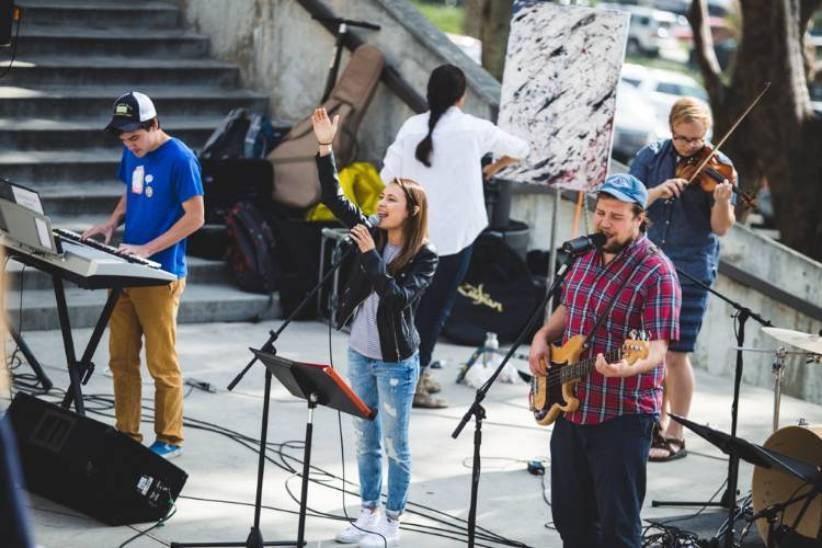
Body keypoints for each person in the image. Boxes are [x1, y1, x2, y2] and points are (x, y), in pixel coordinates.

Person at [528, 174, 680, 547]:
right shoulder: (584, 255)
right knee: (570, 520)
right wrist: (542, 336)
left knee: (617, 530)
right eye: (601, 213)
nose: (604, 223)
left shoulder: (656, 272)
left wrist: (629, 366)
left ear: (638, 218)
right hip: (572, 410)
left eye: (616, 216)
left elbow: (658, 347)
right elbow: (569, 304)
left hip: (622, 416)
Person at [312, 107, 437, 548]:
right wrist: (326, 146)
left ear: (411, 210)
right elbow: (333, 195)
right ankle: (367, 512)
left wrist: (369, 257)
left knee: (394, 444)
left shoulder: (425, 256)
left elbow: (399, 299)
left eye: (391, 200)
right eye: (381, 198)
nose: (381, 204)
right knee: (363, 438)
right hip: (360, 353)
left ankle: (393, 519)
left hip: (397, 363)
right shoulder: (371, 231)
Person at [380, 64, 530, 408]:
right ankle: (413, 379)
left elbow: (387, 175)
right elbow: (522, 148)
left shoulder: (411, 127)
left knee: (406, 306)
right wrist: (491, 168)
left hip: (411, 234)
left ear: (430, 92)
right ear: (462, 97)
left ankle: (403, 373)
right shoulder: (473, 129)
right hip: (455, 236)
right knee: (434, 311)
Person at [83, 91, 204, 459]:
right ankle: (126, 433)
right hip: (126, 266)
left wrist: (149, 248)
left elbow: (196, 217)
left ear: (154, 125)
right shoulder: (132, 151)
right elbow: (131, 190)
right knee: (120, 359)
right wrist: (111, 222)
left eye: (135, 137)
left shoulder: (180, 159)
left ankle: (170, 439)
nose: (129, 145)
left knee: (161, 363)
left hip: (160, 273)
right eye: (123, 139)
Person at [629, 97, 735, 462]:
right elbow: (627, 202)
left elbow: (721, 228)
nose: (693, 147)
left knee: (676, 354)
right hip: (648, 267)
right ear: (671, 130)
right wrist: (659, 190)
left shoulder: (719, 166)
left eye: (698, 139)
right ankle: (652, 425)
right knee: (648, 352)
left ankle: (677, 432)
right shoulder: (650, 157)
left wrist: (722, 201)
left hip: (690, 269)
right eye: (684, 139)